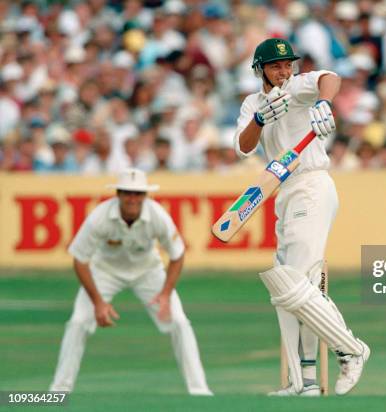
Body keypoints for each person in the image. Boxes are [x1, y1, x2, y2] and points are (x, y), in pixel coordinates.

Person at [234, 38, 369, 396]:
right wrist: (261, 118)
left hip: (312, 184)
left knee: (296, 283)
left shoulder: (298, 87)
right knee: (288, 289)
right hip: (283, 190)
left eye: (287, 64)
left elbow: (330, 77)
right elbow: (244, 146)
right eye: (276, 66)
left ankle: (351, 349)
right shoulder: (251, 103)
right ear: (259, 69)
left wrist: (324, 102)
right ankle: (303, 381)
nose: (283, 71)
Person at [49, 168, 213, 396]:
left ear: (145, 196)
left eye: (138, 194)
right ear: (118, 194)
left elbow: (177, 255)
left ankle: (200, 391)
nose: (132, 199)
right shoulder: (99, 217)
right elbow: (80, 260)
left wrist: (165, 294)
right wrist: (98, 302)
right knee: (78, 322)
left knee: (179, 322)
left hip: (148, 271)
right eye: (127, 193)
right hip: (104, 271)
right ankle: (59, 391)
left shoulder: (157, 215)